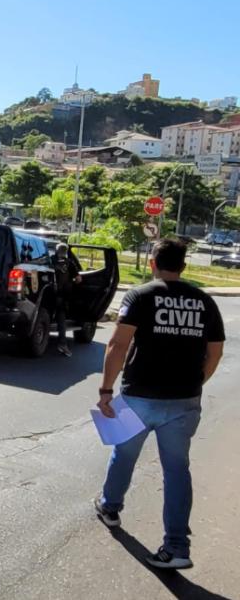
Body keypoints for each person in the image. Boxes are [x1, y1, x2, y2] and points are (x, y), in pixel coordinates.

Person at [94, 238, 225, 569]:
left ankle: (110, 508)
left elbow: (117, 344)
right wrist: (196, 383)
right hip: (184, 401)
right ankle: (177, 546)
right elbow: (215, 352)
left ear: (153, 263)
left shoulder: (141, 295)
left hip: (139, 394)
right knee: (177, 470)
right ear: (184, 265)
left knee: (123, 453)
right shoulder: (204, 302)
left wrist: (106, 389)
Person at [52, 243, 81, 357]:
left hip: (48, 294)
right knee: (61, 318)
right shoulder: (70, 263)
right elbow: (78, 279)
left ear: (56, 250)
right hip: (62, 295)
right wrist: (72, 281)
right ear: (66, 251)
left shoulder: (50, 261)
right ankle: (62, 344)